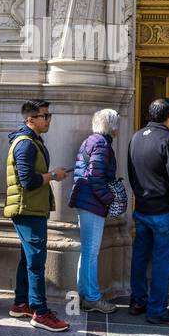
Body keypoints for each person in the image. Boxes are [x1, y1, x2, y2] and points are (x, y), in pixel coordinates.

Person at [3, 100, 71, 332]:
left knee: (28, 259)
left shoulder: (31, 142)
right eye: (45, 116)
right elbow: (28, 181)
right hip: (27, 209)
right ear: (30, 119)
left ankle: (21, 303)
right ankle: (40, 313)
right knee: (36, 262)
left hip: (30, 208)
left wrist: (52, 174)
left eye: (49, 115)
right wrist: (53, 175)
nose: (48, 119)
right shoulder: (26, 144)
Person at [127, 97, 169, 326]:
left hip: (143, 208)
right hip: (165, 211)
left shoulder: (135, 138)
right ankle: (156, 310)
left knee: (140, 257)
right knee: (163, 261)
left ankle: (138, 301)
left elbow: (131, 174)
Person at [69, 108, 120, 314]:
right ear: (111, 125)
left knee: (88, 251)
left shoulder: (92, 141)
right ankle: (92, 297)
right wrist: (109, 199)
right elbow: (95, 176)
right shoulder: (101, 143)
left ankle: (85, 293)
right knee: (91, 252)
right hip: (92, 203)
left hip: (86, 201)